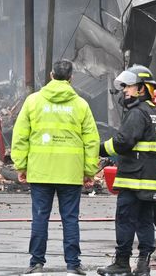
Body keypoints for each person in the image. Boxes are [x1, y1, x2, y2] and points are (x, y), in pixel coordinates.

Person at [11, 60, 100, 276]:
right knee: (70, 219)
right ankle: (72, 265)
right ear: (71, 78)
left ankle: (36, 264)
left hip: (40, 172)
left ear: (51, 75)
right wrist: (89, 171)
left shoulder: (33, 102)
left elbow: (20, 136)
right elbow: (92, 140)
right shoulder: (81, 105)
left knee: (40, 217)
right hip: (70, 174)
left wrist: (21, 165)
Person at [98, 66, 156, 276]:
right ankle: (143, 265)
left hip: (133, 178)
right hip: (150, 179)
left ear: (142, 89)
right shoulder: (154, 114)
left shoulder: (137, 113)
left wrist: (99, 148)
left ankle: (121, 263)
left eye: (128, 86)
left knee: (125, 220)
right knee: (145, 221)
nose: (124, 90)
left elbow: (123, 142)